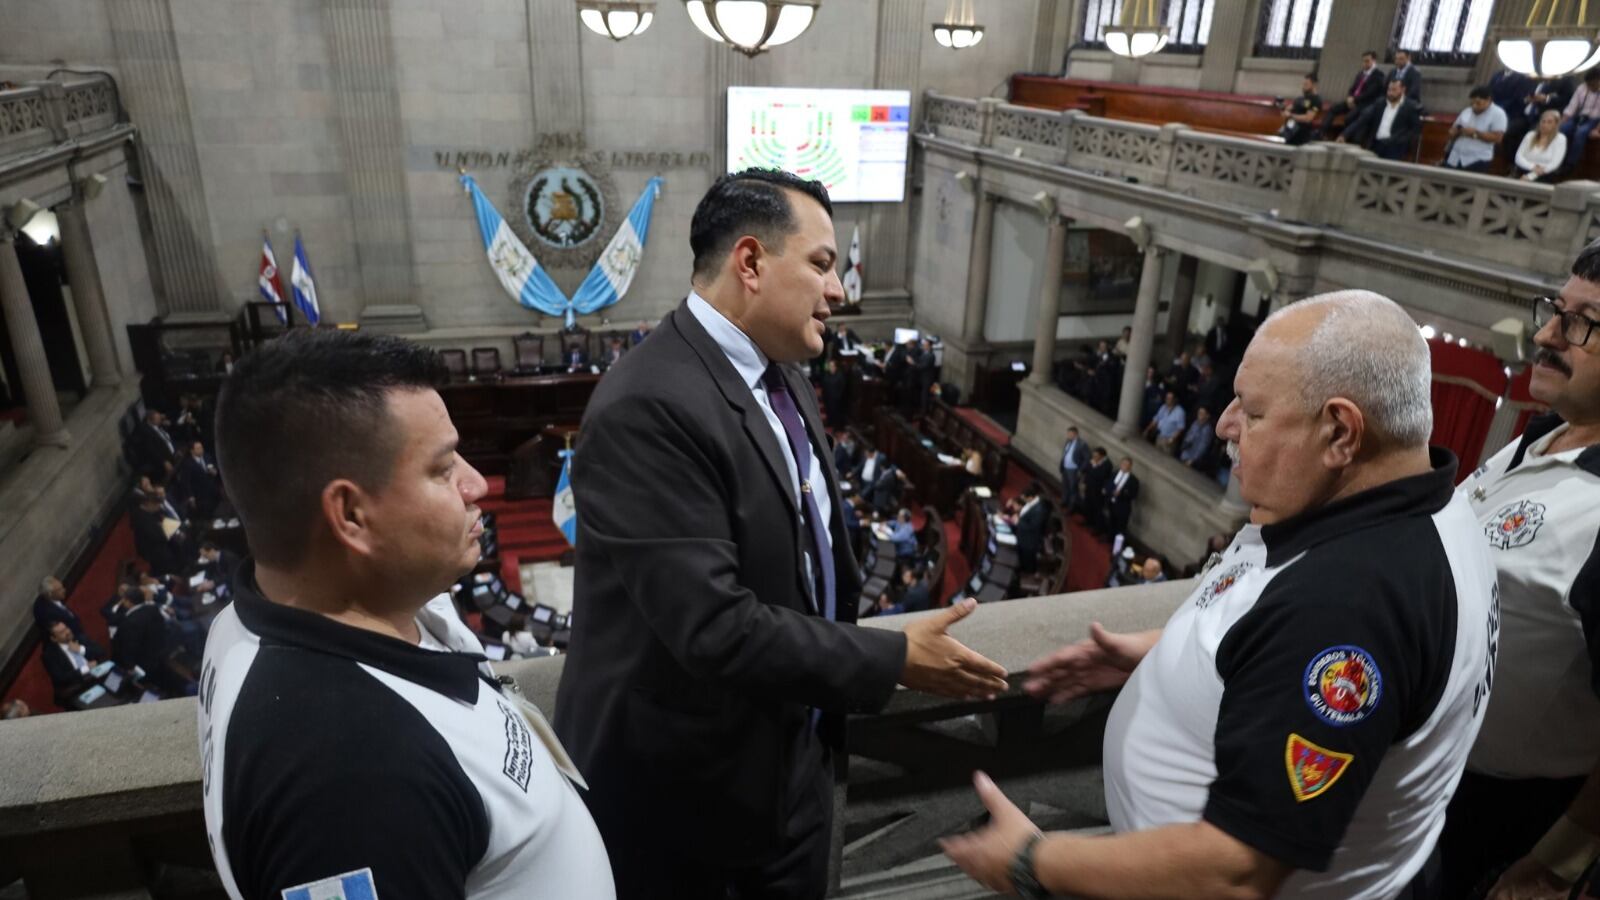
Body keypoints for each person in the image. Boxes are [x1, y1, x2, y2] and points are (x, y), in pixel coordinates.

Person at [941, 291, 1498, 899]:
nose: (1226, 424)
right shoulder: (1436, 506)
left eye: (1253, 412)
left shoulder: (1346, 603)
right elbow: (1277, 643)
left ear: (1340, 432)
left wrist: (1032, 861)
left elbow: (1236, 871)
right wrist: (1177, 654)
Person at [551, 169, 1008, 900]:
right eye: (823, 265)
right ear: (752, 263)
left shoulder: (783, 368)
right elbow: (713, 626)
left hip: (791, 763)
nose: (840, 291)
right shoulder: (648, 403)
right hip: (692, 802)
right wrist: (890, 657)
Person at [198, 330, 615, 899]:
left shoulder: (260, 614)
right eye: (442, 469)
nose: (476, 484)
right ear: (351, 515)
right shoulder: (347, 780)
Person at [1438, 244, 1600, 898]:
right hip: (1426, 771)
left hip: (1503, 818)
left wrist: (1559, 861)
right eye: (1555, 311)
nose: (1546, 335)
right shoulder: (1539, 433)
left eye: (1583, 322)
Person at [1343, 78, 1422, 160]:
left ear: (1403, 90)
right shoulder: (1380, 103)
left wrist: (1400, 141)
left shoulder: (1410, 107)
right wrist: (1345, 134)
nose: (1390, 93)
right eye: (1389, 89)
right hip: (1376, 145)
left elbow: (1415, 130)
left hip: (1394, 148)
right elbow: (1363, 119)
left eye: (1394, 90)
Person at [1323, 51, 1387, 139]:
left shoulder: (1378, 75)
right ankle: (1322, 133)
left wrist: (1354, 100)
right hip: (1352, 100)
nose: (1364, 63)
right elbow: (1352, 88)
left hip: (1364, 103)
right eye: (1363, 61)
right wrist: (1349, 97)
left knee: (1349, 118)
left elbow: (1370, 93)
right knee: (1333, 109)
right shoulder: (1361, 73)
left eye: (1367, 61)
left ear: (1374, 61)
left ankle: (1345, 138)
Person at [40, 620, 108, 702]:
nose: (67, 632)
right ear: (54, 639)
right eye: (62, 632)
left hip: (98, 676)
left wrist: (81, 649)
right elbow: (60, 678)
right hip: (77, 687)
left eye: (66, 628)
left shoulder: (80, 638)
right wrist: (86, 668)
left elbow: (101, 652)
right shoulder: (49, 655)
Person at [1444, 87, 1507, 172]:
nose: (1474, 106)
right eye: (1472, 103)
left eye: (1478, 103)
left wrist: (1476, 133)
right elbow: (1453, 129)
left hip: (1477, 160)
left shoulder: (1498, 114)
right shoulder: (1467, 111)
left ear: (1488, 100)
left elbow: (1497, 138)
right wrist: (1454, 132)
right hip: (1455, 157)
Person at [171, 440, 222, 519]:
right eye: (198, 448)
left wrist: (215, 472)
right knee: (208, 514)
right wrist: (190, 496)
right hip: (200, 495)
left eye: (201, 447)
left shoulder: (207, 456)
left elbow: (216, 469)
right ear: (192, 451)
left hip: (213, 490)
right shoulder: (187, 464)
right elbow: (186, 482)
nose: (201, 450)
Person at [1515, 108, 1568, 183]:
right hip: (1523, 171)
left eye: (1549, 122)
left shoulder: (1560, 139)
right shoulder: (1530, 135)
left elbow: (1554, 164)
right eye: (1543, 121)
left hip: (1544, 175)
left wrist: (1531, 176)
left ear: (1556, 125)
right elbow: (1518, 157)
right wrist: (1532, 167)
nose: (1545, 125)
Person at [1564, 69, 1600, 174]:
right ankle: (1558, 159)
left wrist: (1598, 129)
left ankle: (1570, 165)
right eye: (1588, 84)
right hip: (1579, 116)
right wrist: (1562, 121)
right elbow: (1572, 106)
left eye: (1593, 84)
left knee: (1581, 133)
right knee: (1563, 129)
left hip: (1595, 120)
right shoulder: (1582, 88)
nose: (1589, 87)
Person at [1278, 73, 1323, 146]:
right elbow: (1288, 109)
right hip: (1290, 128)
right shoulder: (1300, 99)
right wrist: (1283, 108)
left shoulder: (1316, 100)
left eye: (1306, 84)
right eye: (1303, 84)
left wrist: (1291, 116)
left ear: (1314, 85)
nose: (1303, 87)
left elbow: (1308, 118)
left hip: (1301, 131)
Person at [1104, 456, 1139, 540]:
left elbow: (1133, 495)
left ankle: (1117, 545)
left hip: (1123, 506)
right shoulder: (1115, 473)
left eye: (1126, 465)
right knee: (1111, 521)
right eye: (1123, 464)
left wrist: (1122, 493)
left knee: (1120, 527)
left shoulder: (1133, 480)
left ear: (1130, 466)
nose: (1124, 466)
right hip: (1112, 502)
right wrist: (1109, 491)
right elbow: (1109, 484)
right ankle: (1109, 538)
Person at [1081, 447, 1113, 532]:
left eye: (1096, 456)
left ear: (1102, 456)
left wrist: (1094, 465)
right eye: (1094, 455)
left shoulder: (1107, 464)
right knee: (1088, 505)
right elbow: (1087, 471)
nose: (1094, 457)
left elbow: (1100, 476)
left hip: (1098, 490)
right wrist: (1084, 482)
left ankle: (1097, 528)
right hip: (1089, 487)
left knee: (1097, 509)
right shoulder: (1093, 461)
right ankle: (1088, 521)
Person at [1059, 427, 1089, 513]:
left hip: (1074, 470)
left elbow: (1087, 458)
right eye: (1068, 434)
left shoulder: (1082, 444)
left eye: (1070, 434)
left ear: (1075, 434)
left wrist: (1080, 470)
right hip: (1065, 468)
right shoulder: (1068, 441)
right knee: (1065, 486)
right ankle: (1064, 501)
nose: (1068, 435)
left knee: (1073, 489)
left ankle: (1071, 506)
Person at [820, 358, 848, 426]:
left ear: (835, 367)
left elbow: (842, 388)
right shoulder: (826, 375)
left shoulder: (840, 376)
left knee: (836, 412)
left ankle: (836, 425)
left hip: (837, 399)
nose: (830, 367)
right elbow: (824, 385)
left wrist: (837, 396)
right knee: (829, 411)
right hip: (828, 397)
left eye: (832, 366)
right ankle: (829, 422)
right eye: (829, 366)